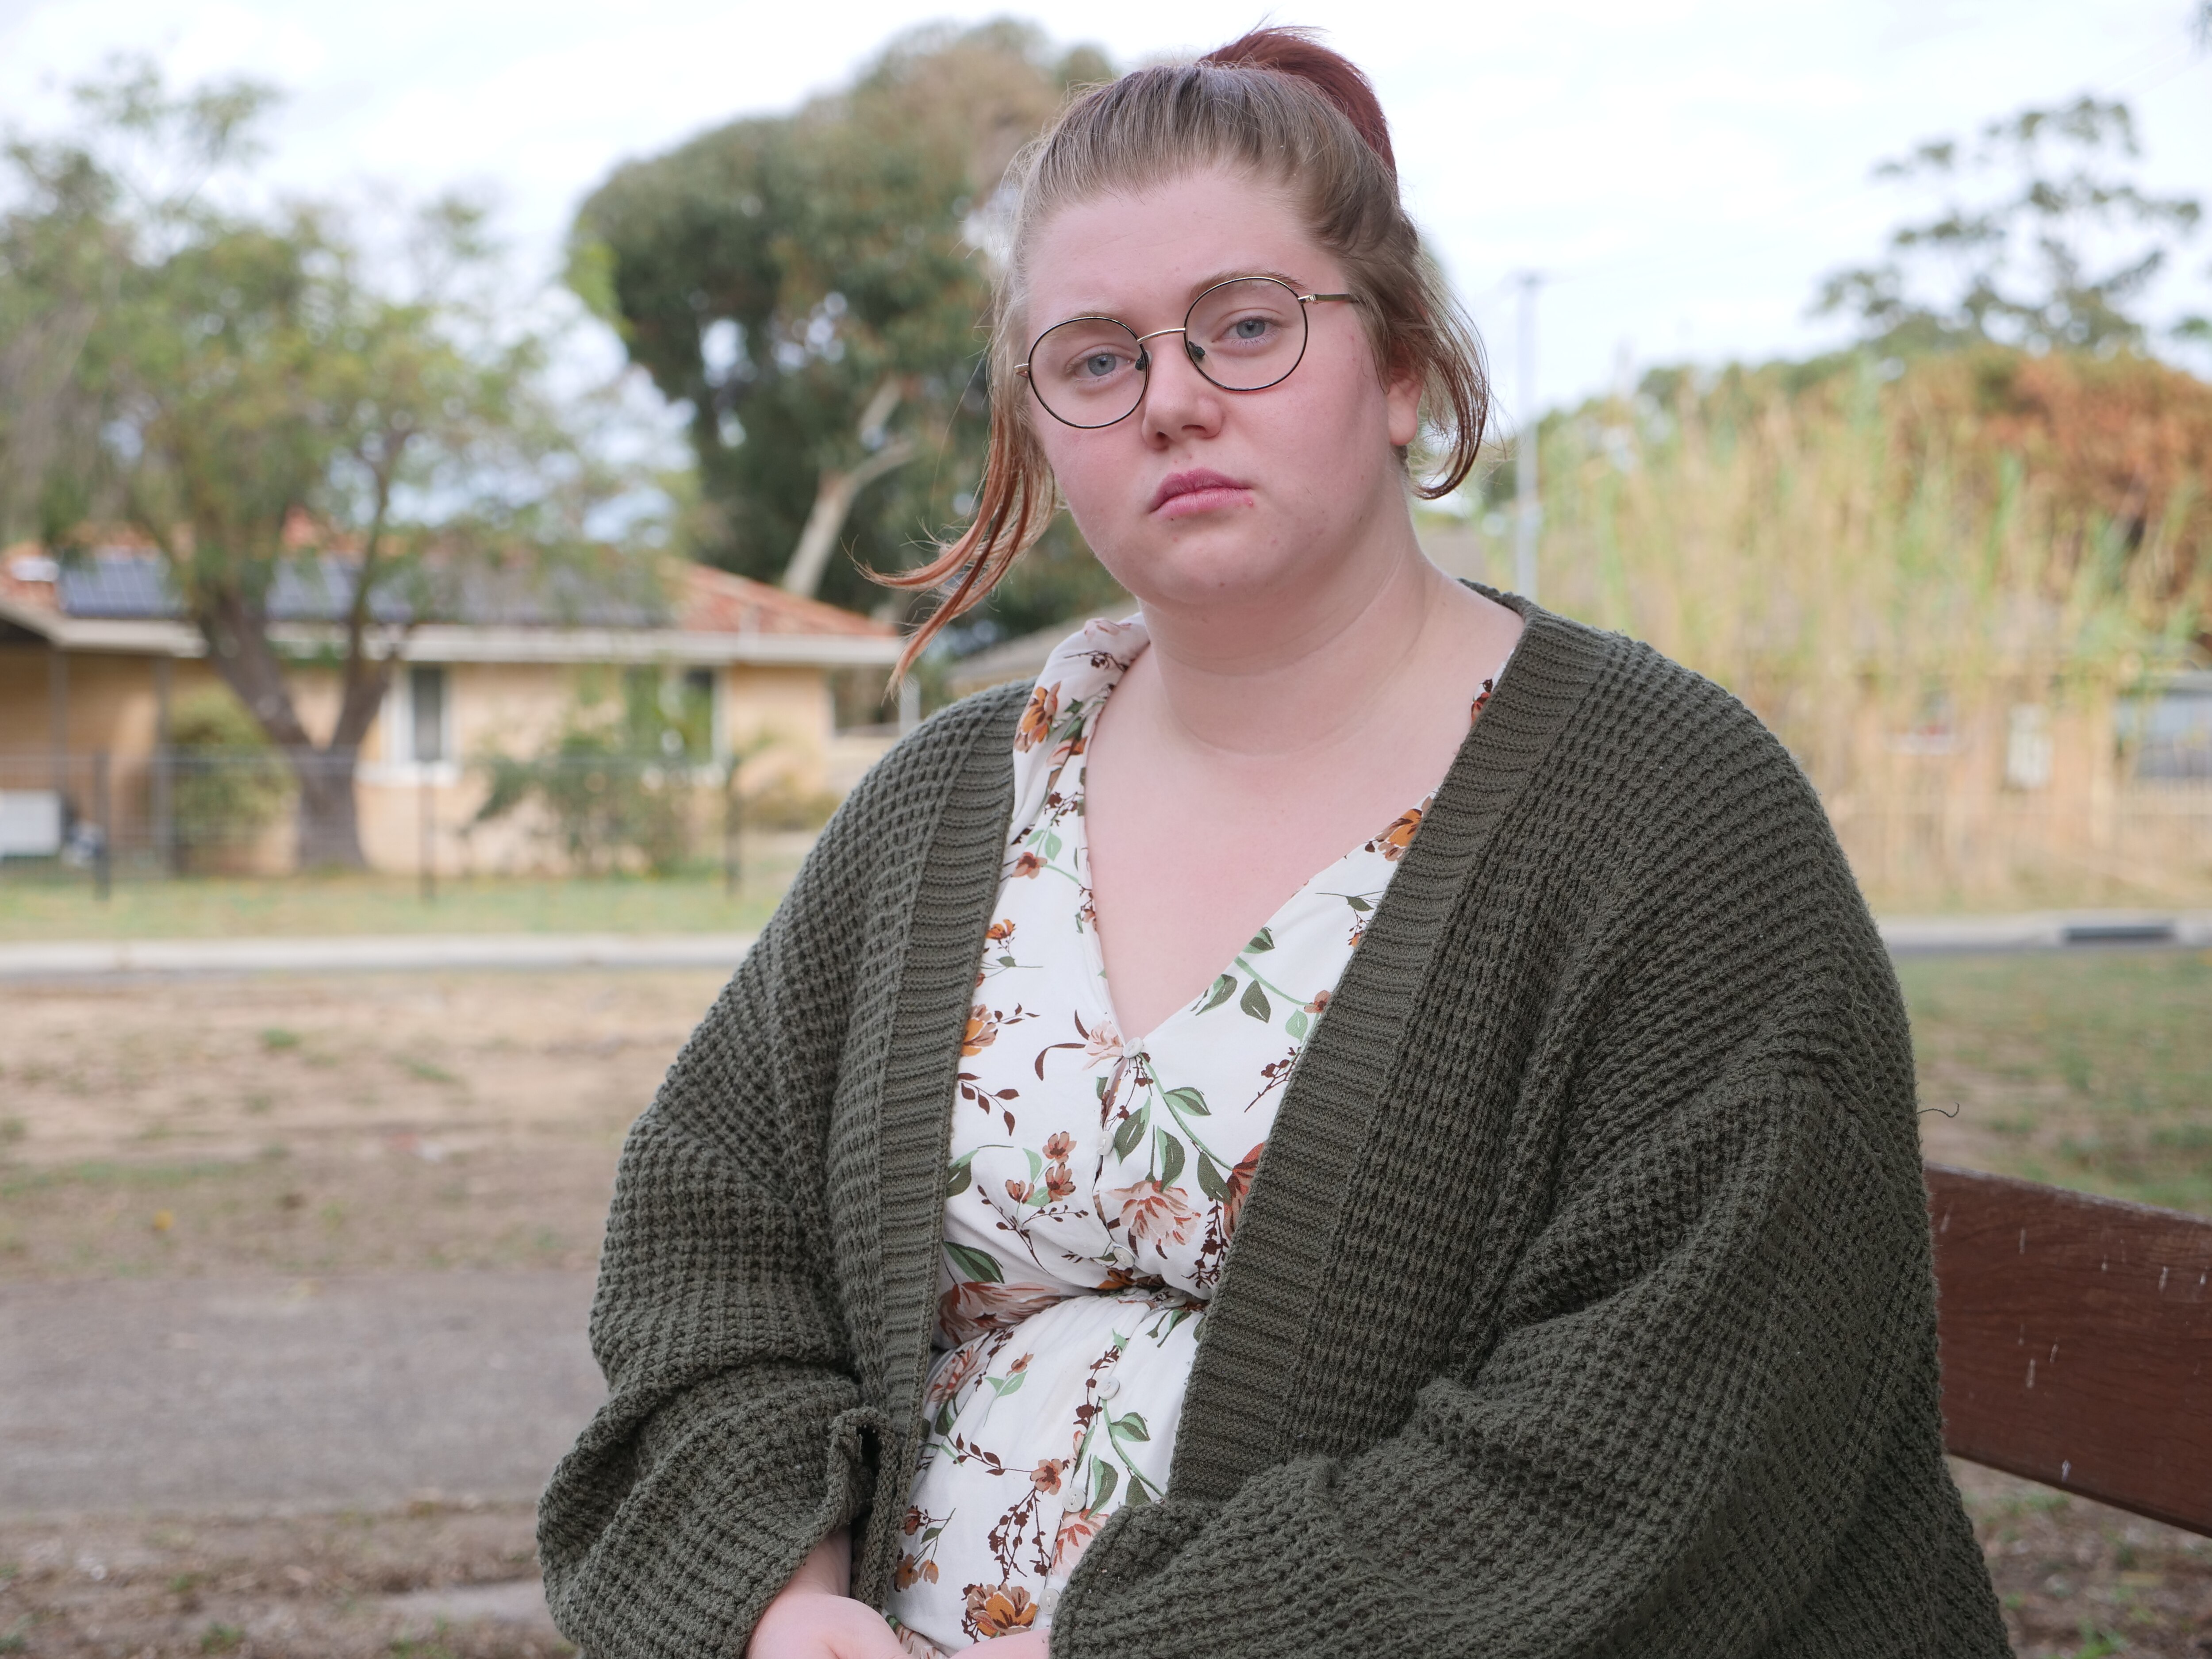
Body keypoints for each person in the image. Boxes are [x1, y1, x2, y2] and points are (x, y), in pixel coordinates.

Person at [538, 27, 2011, 1659]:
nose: (1171, 398)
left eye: (1245, 327)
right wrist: (781, 1604)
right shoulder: (945, 806)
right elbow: (712, 1247)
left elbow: (1669, 1435)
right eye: (1094, 360)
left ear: (1401, 368)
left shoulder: (1671, 819)